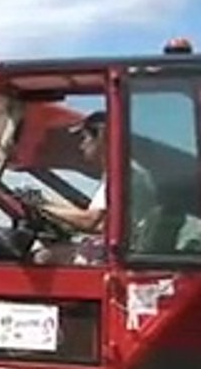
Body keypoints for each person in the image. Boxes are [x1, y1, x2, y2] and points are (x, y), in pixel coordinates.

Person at [33, 110, 156, 264]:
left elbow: (92, 222)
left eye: (85, 138)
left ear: (102, 137)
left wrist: (42, 206)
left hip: (119, 255)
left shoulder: (122, 175)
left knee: (42, 257)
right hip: (121, 249)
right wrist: (46, 205)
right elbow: (96, 220)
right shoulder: (126, 172)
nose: (81, 145)